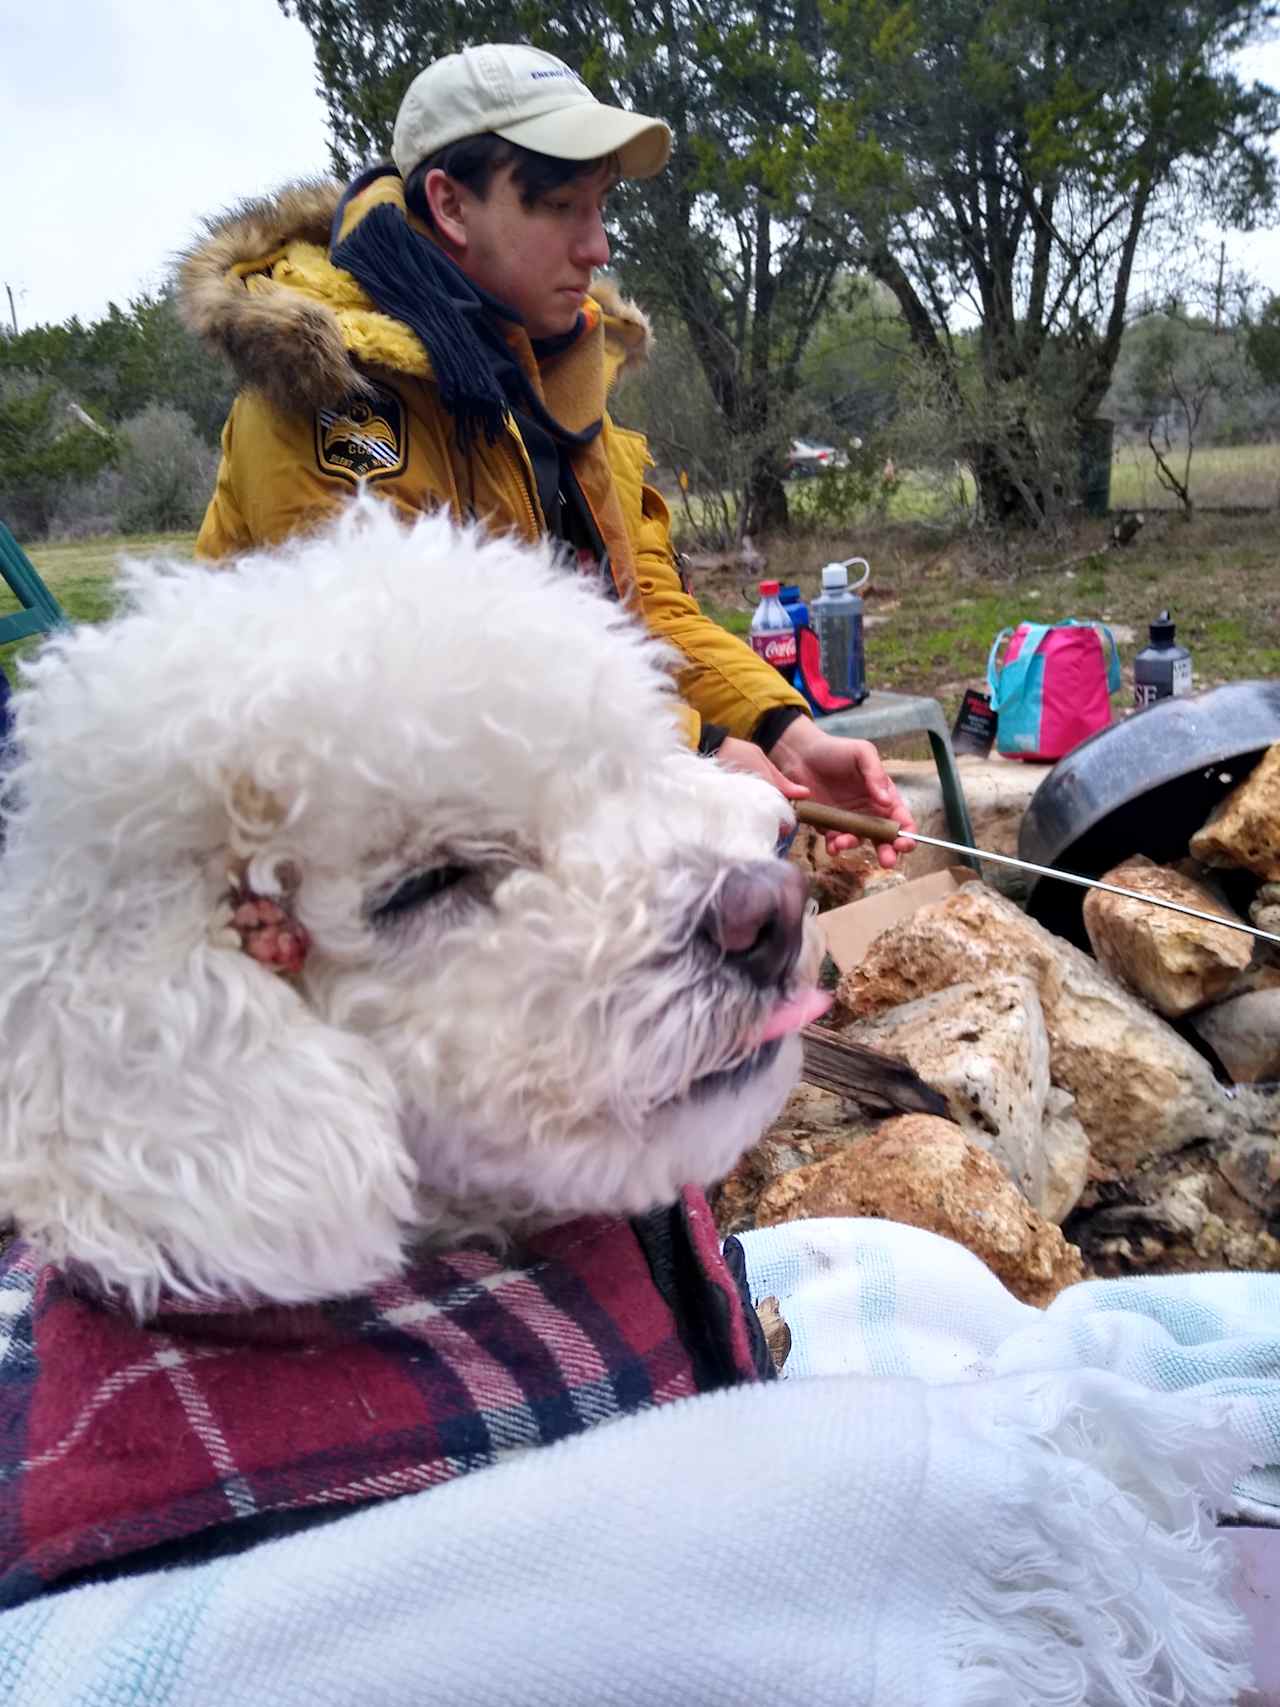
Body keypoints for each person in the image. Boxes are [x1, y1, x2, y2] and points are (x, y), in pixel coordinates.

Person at [180, 42, 915, 861]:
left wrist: (780, 729)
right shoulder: (329, 395)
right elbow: (396, 684)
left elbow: (643, 618)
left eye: (601, 207)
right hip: (333, 861)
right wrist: (692, 745)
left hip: (525, 806)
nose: (597, 247)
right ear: (451, 206)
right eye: (562, 206)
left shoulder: (560, 375)